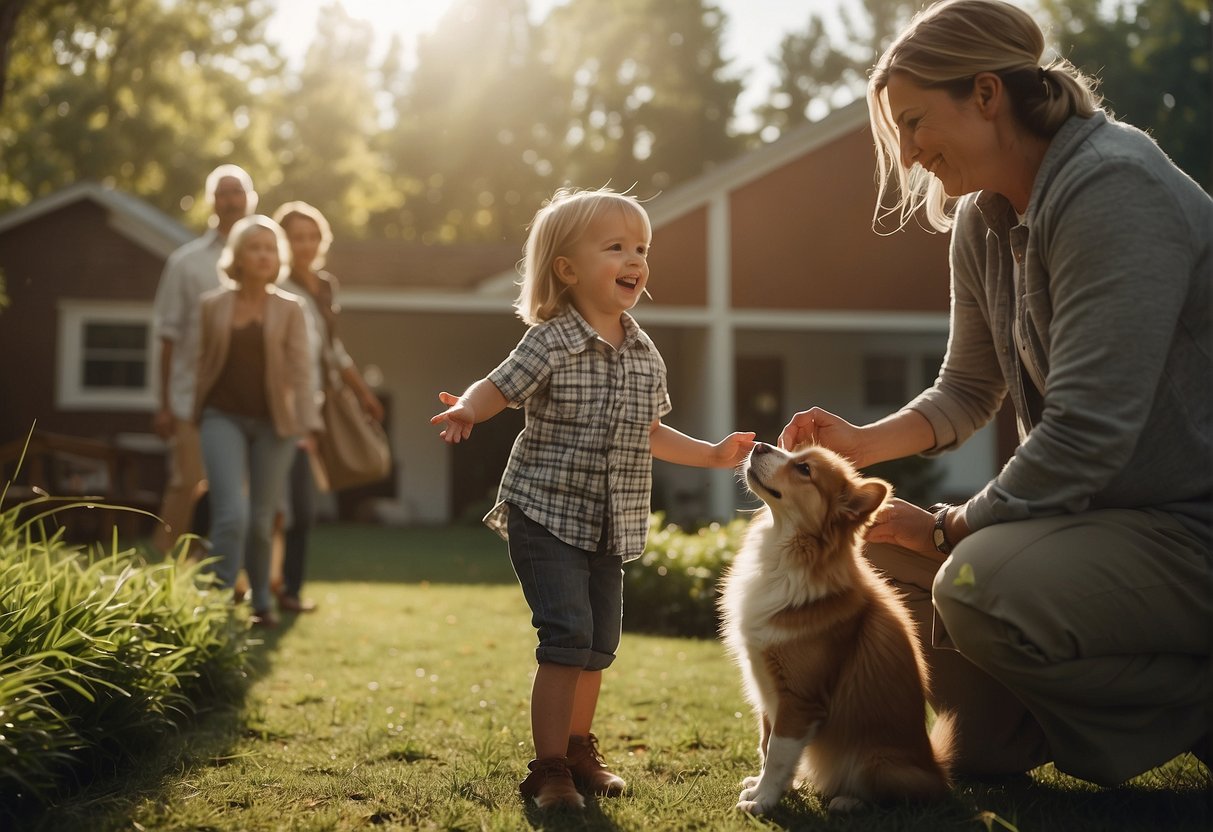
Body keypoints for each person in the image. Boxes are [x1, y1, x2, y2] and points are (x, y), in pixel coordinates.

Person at [780, 0, 1211, 788]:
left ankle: (1194, 704)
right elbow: (968, 387)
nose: (908, 157)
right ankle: (1018, 727)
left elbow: (1084, 434)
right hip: (1104, 523)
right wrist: (863, 445)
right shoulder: (983, 218)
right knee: (866, 551)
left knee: (977, 587)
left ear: (985, 94)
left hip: (1190, 525)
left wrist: (947, 529)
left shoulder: (1113, 188)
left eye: (915, 124)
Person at [430, 187, 755, 810]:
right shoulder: (550, 341)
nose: (635, 260)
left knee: (599, 643)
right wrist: (470, 408)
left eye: (641, 248)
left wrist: (714, 455)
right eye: (616, 247)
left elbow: (651, 432)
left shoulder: (645, 354)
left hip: (612, 521)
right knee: (566, 635)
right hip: (546, 513)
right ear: (568, 269)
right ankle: (548, 768)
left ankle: (579, 750)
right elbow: (499, 387)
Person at [194, 215, 320, 628]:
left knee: (263, 520)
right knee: (232, 513)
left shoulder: (290, 308)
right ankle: (218, 604)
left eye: (270, 248)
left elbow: (303, 371)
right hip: (220, 417)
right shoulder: (212, 305)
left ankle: (261, 602)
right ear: (239, 256)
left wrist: (307, 425)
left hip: (275, 425)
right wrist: (182, 412)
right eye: (255, 247)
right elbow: (196, 364)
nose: (264, 255)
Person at [271, 201, 384, 614]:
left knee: (301, 506)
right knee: (282, 506)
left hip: (319, 406)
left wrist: (362, 392)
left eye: (312, 236)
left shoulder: (324, 286)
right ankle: (265, 587)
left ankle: (289, 591)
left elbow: (332, 350)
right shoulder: (275, 286)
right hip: (282, 408)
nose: (304, 245)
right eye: (295, 237)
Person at [151, 165, 257, 555]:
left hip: (250, 399)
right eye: (223, 192)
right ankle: (162, 570)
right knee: (186, 484)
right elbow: (166, 335)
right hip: (191, 398)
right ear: (212, 202)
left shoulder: (265, 259)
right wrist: (162, 403)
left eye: (237, 192)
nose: (230, 200)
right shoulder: (186, 263)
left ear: (250, 199)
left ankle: (235, 580)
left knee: (241, 491)